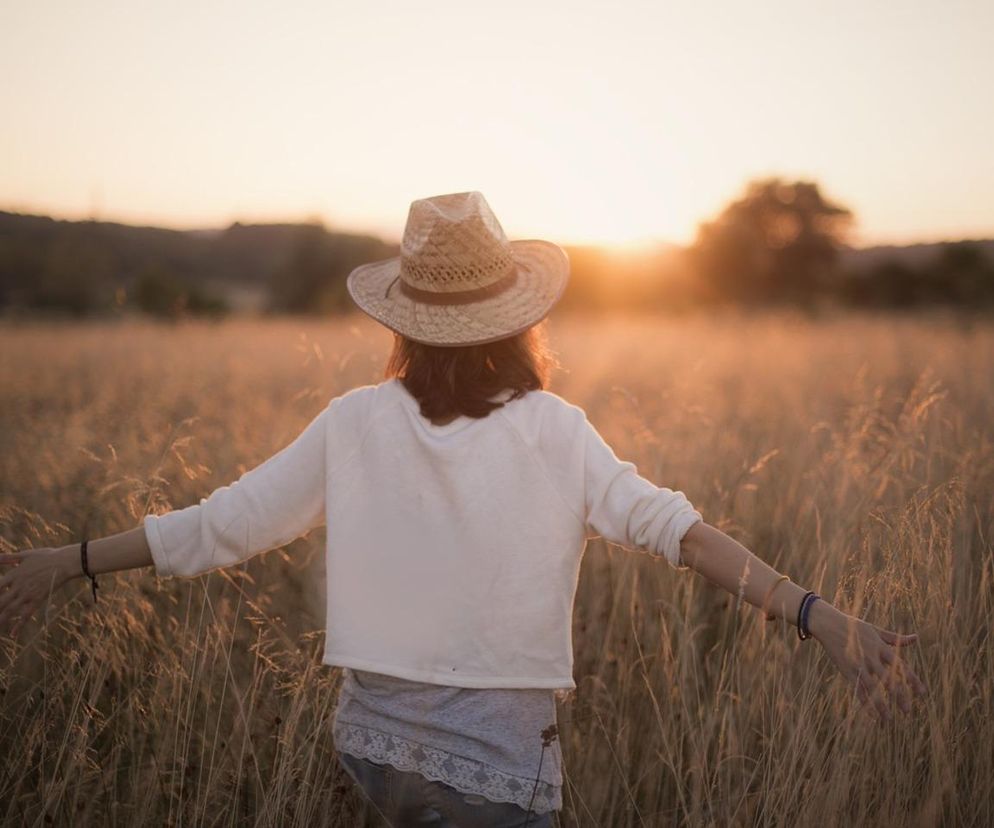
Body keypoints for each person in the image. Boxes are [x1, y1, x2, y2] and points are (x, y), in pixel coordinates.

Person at [0, 192, 927, 828]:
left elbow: (220, 525)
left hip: (371, 757)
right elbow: (679, 532)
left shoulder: (352, 421)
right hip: (498, 778)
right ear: (520, 318)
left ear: (404, 320)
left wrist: (68, 560)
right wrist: (818, 615)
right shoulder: (555, 432)